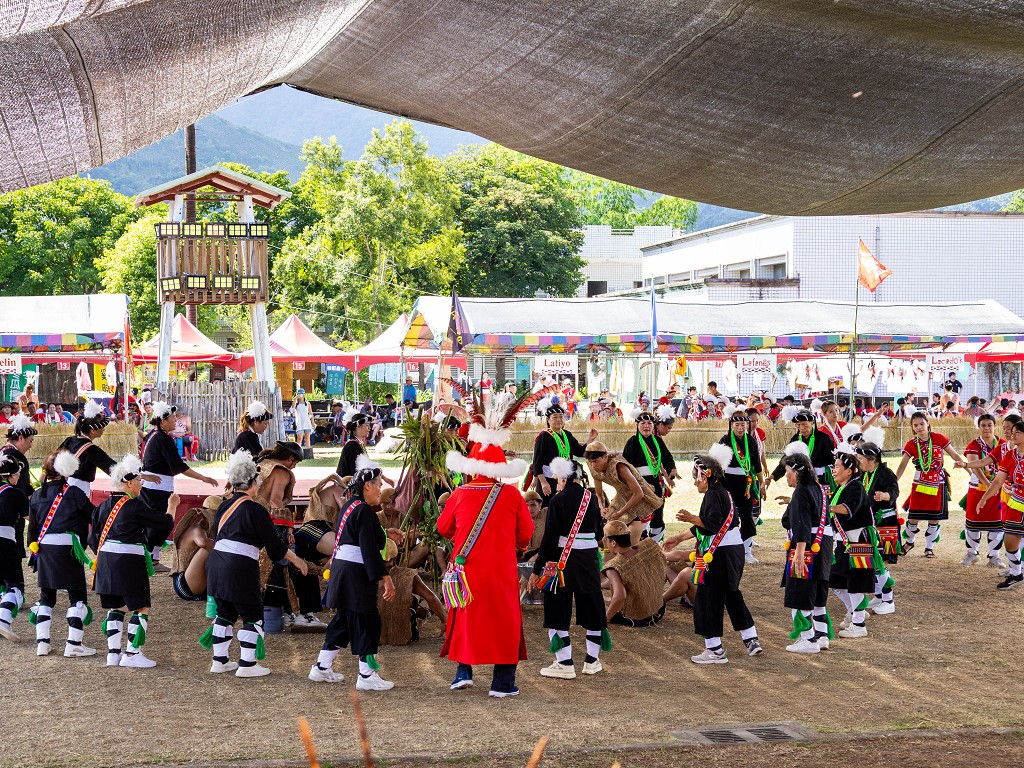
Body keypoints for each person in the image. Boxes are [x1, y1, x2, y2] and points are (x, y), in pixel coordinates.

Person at [440, 404, 533, 698]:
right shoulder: (511, 495)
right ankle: (502, 683)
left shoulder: (459, 494)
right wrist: (519, 546)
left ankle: (463, 672)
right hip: (502, 570)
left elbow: (443, 528)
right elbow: (526, 533)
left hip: (466, 569)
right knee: (504, 620)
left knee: (466, 617)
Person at [200, 450, 308, 677]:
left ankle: (219, 661)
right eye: (257, 479)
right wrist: (298, 560)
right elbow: (276, 547)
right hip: (239, 567)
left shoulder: (223, 506)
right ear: (250, 482)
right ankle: (247, 665)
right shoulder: (255, 509)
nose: (259, 483)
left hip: (217, 564)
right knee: (252, 614)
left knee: (225, 612)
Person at [309, 458, 396, 688]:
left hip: (343, 570)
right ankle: (366, 676)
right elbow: (368, 548)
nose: (380, 489)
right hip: (355, 573)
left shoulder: (350, 506)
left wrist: (384, 532)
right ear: (367, 485)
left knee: (345, 621)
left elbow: (369, 539)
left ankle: (321, 667)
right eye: (378, 484)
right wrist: (386, 578)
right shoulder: (363, 511)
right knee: (367, 619)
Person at [676, 443, 762, 663]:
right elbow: (711, 525)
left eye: (696, 477)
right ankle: (751, 639)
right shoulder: (725, 493)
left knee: (707, 598)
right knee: (731, 593)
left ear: (705, 476)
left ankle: (714, 649)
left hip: (719, 555)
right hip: (733, 551)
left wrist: (691, 518)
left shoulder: (713, 496)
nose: (695, 482)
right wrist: (678, 537)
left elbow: (711, 525)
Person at [89, 456, 176, 668]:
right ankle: (132, 653)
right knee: (140, 607)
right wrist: (172, 506)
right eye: (139, 479)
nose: (141, 483)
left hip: (106, 561)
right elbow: (163, 524)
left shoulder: (101, 507)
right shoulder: (135, 505)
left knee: (116, 606)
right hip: (129, 561)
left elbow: (92, 538)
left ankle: (113, 654)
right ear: (128, 483)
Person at [529, 457, 609, 679]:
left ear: (564, 477)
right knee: (592, 607)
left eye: (557, 479)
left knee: (557, 609)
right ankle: (592, 662)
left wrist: (537, 568)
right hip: (588, 561)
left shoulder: (557, 501)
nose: (557, 483)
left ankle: (565, 663)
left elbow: (550, 539)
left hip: (561, 562)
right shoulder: (591, 498)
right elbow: (600, 534)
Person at [27, 451, 95, 657]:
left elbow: (33, 530)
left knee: (47, 596)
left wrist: (33, 555)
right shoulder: (73, 493)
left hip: (44, 549)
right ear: (66, 471)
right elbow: (93, 514)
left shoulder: (38, 494)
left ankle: (42, 643)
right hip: (68, 548)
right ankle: (73, 644)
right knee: (77, 596)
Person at [141, 402, 219, 571]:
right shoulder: (163, 439)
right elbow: (179, 467)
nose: (175, 420)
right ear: (162, 421)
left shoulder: (152, 435)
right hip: (156, 489)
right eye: (172, 418)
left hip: (153, 486)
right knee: (160, 524)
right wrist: (203, 477)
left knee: (155, 524)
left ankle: (152, 560)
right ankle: (149, 560)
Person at [253, 441, 320, 629]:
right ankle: (298, 612)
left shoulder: (262, 463)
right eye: (295, 463)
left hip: (246, 520)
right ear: (290, 459)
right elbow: (275, 501)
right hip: (266, 521)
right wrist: (288, 527)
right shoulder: (281, 471)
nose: (294, 467)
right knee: (289, 565)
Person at [777, 442, 830, 654]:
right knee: (816, 593)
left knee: (800, 593)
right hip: (822, 545)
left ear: (797, 473)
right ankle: (822, 636)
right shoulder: (818, 488)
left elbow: (802, 522)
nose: (787, 476)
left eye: (788, 472)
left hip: (806, 546)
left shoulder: (801, 491)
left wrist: (798, 553)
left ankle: (808, 640)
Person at [895, 411, 966, 558]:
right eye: (916, 425)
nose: (919, 427)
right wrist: (894, 482)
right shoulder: (912, 444)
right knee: (913, 516)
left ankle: (929, 547)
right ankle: (909, 542)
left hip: (938, 482)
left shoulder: (939, 438)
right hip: (920, 482)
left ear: (928, 423)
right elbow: (902, 465)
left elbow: (955, 455)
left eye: (922, 423)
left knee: (934, 517)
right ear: (912, 428)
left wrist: (969, 469)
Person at [828, 444, 876, 639]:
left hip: (858, 540)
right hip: (844, 541)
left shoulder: (855, 486)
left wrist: (826, 506)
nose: (834, 470)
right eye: (834, 466)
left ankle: (859, 624)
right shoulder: (843, 487)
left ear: (849, 470)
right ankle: (856, 611)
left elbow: (848, 509)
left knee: (854, 581)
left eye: (837, 466)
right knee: (836, 580)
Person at [854, 427, 900, 615]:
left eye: (860, 460)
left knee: (881, 561)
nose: (858, 463)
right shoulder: (864, 474)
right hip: (871, 524)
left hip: (885, 523)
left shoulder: (886, 473)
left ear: (872, 459)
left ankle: (888, 600)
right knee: (874, 561)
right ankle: (880, 596)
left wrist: (886, 495)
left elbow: (895, 491)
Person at [977, 418, 1024, 589]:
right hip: (1017, 502)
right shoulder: (1010, 455)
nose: (1013, 434)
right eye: (1012, 432)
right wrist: (984, 498)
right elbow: (998, 481)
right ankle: (1016, 573)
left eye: (1017, 432)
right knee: (1010, 542)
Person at [584, 441, 662, 545]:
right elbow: (599, 493)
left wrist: (620, 513)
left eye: (595, 461)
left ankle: (645, 553)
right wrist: (602, 507)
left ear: (605, 457)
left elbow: (639, 493)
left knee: (630, 544)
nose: (593, 465)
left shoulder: (620, 467)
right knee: (610, 534)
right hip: (621, 497)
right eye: (590, 462)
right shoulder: (592, 466)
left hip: (640, 501)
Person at [959, 414, 1006, 567]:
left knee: (998, 524)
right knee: (973, 522)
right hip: (977, 488)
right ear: (979, 427)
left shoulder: (1003, 444)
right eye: (983, 425)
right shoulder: (974, 444)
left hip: (999, 489)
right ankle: (972, 554)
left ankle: (994, 557)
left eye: (989, 425)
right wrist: (987, 484)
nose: (986, 428)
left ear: (994, 426)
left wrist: (996, 486)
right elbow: (974, 464)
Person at [717, 408, 763, 564]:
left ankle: (746, 550)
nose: (740, 428)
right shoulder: (725, 440)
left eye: (743, 424)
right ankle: (728, 548)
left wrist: (761, 483)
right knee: (729, 516)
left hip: (747, 484)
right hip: (728, 482)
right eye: (737, 425)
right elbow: (717, 463)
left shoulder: (750, 441)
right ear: (732, 425)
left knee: (747, 516)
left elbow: (756, 464)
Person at [622, 409, 675, 542]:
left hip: (657, 483)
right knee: (642, 513)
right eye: (643, 423)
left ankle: (655, 543)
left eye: (649, 423)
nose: (646, 426)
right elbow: (626, 465)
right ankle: (642, 540)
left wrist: (672, 469)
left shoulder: (657, 440)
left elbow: (667, 457)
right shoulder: (632, 442)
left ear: (654, 426)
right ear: (637, 425)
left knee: (658, 512)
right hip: (639, 484)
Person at [531, 400, 597, 507]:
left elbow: (580, 452)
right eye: (555, 417)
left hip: (566, 479)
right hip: (548, 479)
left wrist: (591, 439)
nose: (558, 420)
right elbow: (537, 462)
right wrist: (543, 483)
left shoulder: (567, 434)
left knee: (565, 507)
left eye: (561, 417)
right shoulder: (543, 436)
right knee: (547, 508)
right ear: (548, 419)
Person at [602, 519, 667, 626]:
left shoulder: (613, 567)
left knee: (596, 605)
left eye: (605, 538)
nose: (604, 540)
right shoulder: (648, 546)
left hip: (639, 619)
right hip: (659, 609)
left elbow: (620, 596)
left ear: (613, 542)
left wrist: (606, 619)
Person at [58, 400, 116, 497]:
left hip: (63, 488)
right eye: (101, 427)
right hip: (80, 490)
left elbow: (54, 458)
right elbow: (112, 468)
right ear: (93, 430)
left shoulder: (70, 440)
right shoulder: (92, 450)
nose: (104, 429)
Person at [767, 409, 836, 490]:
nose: (802, 428)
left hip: (821, 479)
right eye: (799, 425)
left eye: (804, 424)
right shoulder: (795, 439)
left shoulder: (823, 438)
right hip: (802, 479)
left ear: (812, 422)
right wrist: (771, 477)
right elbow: (786, 460)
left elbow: (833, 460)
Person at [0, 454, 29, 642]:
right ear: (11, 475)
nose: (18, 477)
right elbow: (30, 518)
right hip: (4, 541)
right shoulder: (14, 493)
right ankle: (3, 620)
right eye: (17, 473)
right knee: (15, 586)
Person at [170, 496, 219, 602]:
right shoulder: (196, 529)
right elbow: (204, 543)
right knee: (208, 548)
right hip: (184, 584)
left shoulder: (206, 531)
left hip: (195, 585)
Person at [2, 414, 37, 500]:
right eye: (30, 441)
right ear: (21, 438)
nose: (31, 446)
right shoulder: (18, 457)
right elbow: (24, 489)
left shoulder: (3, 451)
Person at [337, 409, 372, 478]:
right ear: (358, 427)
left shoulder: (357, 443)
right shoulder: (353, 446)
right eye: (367, 425)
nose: (369, 428)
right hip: (348, 485)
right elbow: (356, 472)